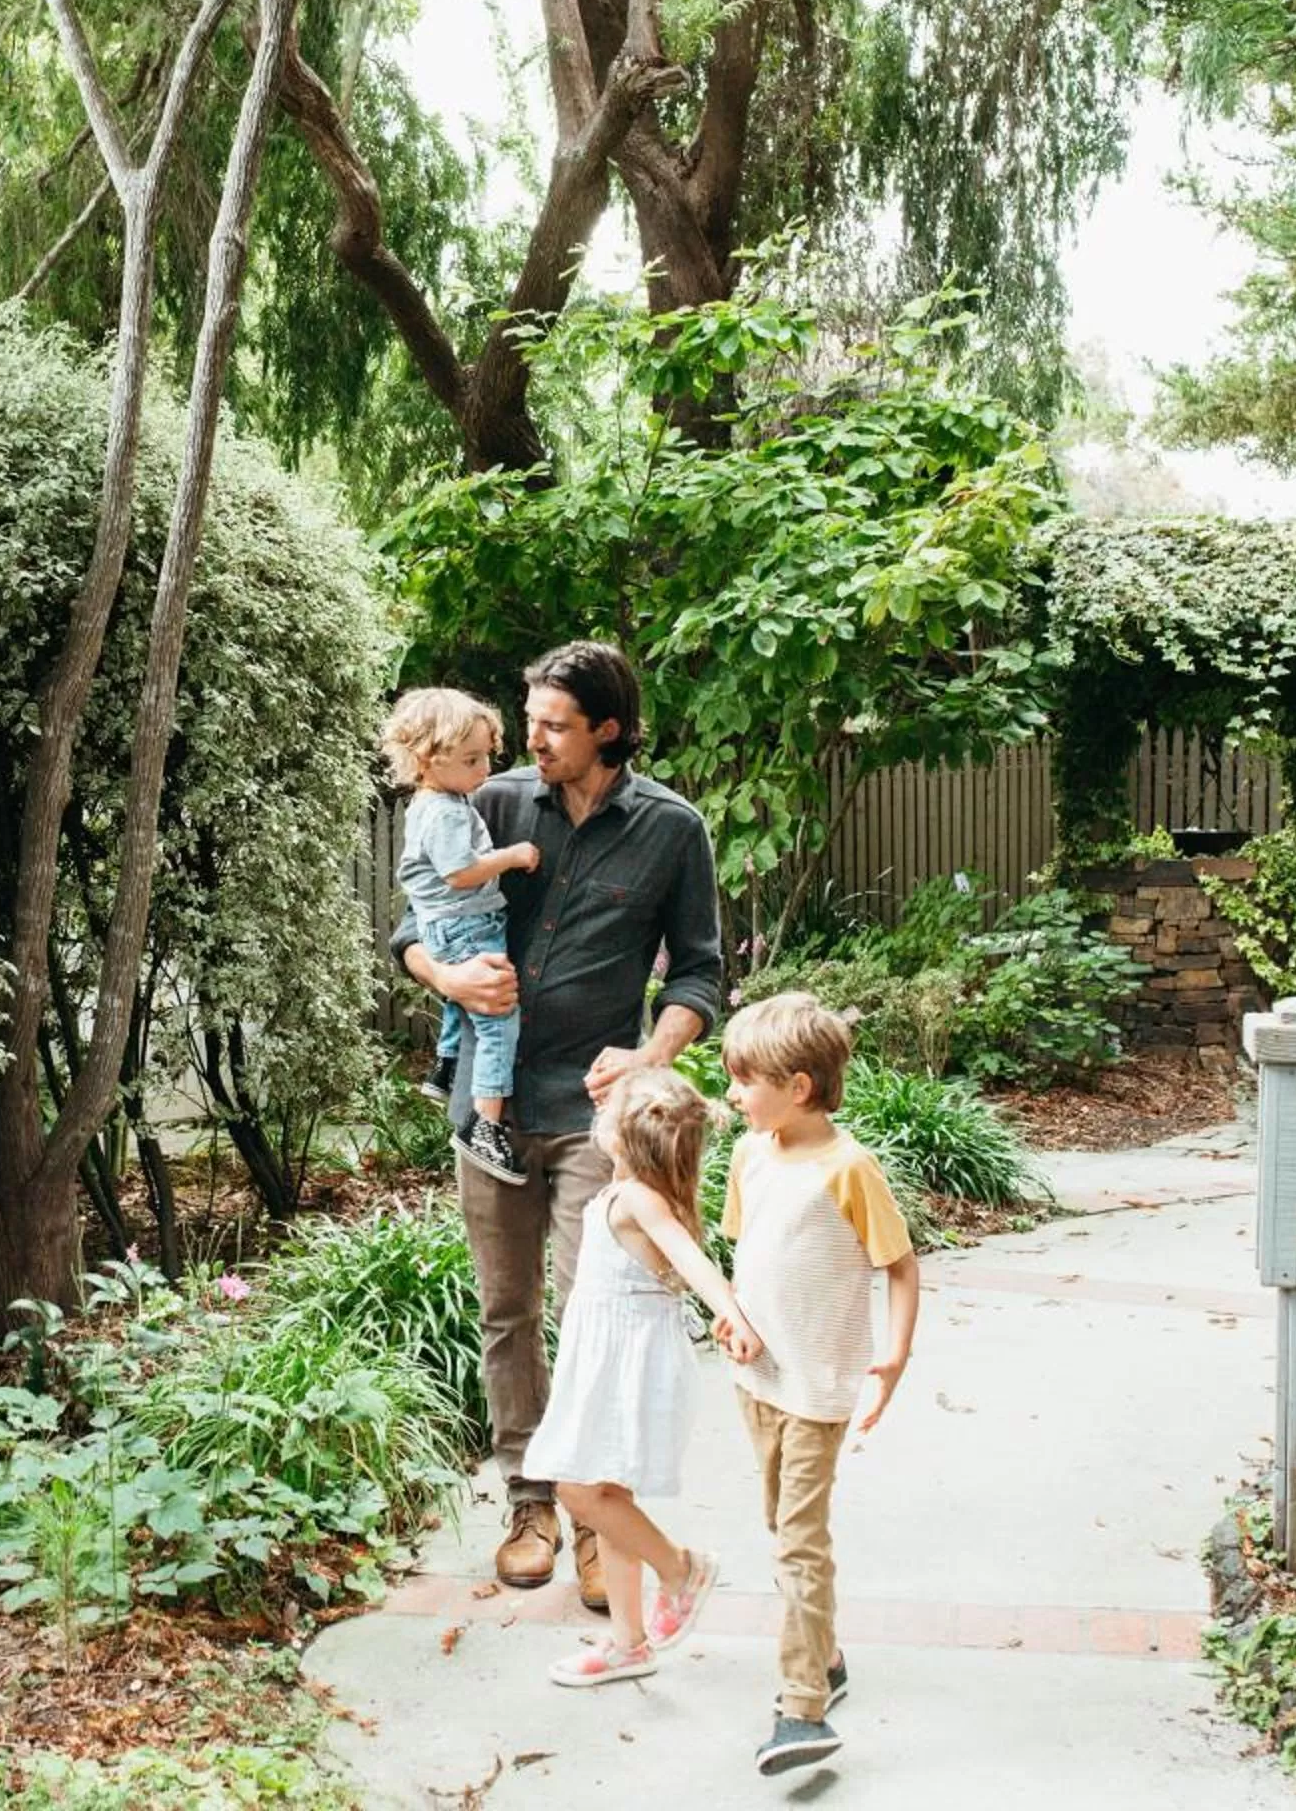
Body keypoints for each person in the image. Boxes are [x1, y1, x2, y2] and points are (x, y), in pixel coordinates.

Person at [388, 641, 724, 1612]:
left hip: (594, 1113)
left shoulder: (671, 829)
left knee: (587, 1314)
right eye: (528, 719)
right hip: (487, 1106)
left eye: (553, 724)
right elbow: (409, 923)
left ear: (607, 730)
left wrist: (653, 1057)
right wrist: (446, 976)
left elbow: (701, 969)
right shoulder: (484, 803)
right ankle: (529, 1500)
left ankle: (593, 1518)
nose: (530, 737)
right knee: (507, 1312)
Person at [716, 990, 923, 1776]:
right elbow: (748, 1260)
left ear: (797, 1087)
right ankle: (828, 1656)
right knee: (779, 1523)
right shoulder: (749, 1155)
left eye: (745, 1079)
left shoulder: (849, 1169)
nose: (732, 1093)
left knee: (800, 1542)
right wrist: (728, 1317)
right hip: (757, 1381)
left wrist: (895, 1355)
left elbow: (900, 1266)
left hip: (819, 1388)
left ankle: (801, 1708)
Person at [525, 1068, 762, 1687]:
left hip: (625, 1365)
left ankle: (680, 1569)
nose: (596, 1110)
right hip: (610, 1357)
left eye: (609, 1109)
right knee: (608, 1496)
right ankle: (629, 1643)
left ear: (627, 1137)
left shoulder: (639, 1200)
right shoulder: (627, 1193)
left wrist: (730, 1311)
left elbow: (692, 1259)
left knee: (578, 1489)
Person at [378, 688, 538, 1184]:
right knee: (497, 1020)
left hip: (446, 925)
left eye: (487, 755)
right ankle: (484, 1127)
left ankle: (446, 1067)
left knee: (460, 1000)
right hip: (464, 920)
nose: (484, 770)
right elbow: (460, 872)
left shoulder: (436, 800)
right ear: (427, 759)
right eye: (471, 759)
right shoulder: (446, 810)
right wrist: (513, 856)